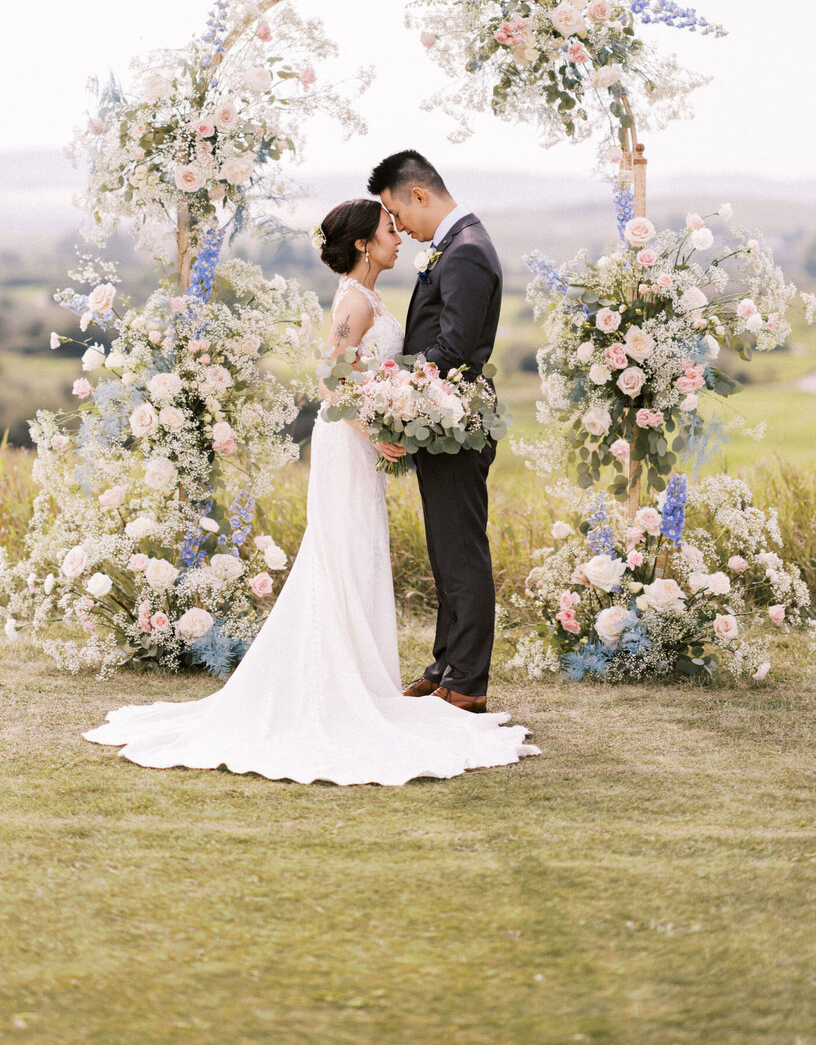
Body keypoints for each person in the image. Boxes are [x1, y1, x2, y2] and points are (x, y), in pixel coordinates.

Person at [83, 196, 537, 784]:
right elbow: (332, 379)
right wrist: (374, 428)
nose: (398, 238)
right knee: (340, 554)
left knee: (358, 553)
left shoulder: (369, 297)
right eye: (387, 231)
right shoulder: (353, 300)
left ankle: (360, 678)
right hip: (346, 443)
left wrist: (391, 416)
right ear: (362, 246)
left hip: (362, 443)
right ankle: (333, 686)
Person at [367, 150, 503, 712]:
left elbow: (452, 349)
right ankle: (445, 664)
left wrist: (385, 389)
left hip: (457, 423)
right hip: (440, 419)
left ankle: (467, 682)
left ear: (418, 194)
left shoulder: (466, 252)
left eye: (396, 213)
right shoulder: (453, 246)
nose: (397, 227)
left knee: (462, 551)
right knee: (445, 551)